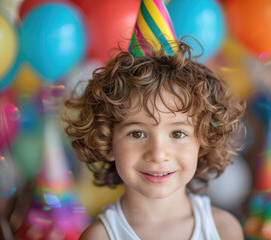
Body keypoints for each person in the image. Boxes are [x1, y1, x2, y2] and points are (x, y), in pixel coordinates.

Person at [63, 40, 246, 240]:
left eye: (177, 134)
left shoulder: (224, 230)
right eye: (137, 133)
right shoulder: (100, 237)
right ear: (107, 141)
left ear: (203, 141)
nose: (158, 154)